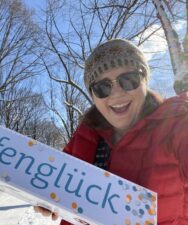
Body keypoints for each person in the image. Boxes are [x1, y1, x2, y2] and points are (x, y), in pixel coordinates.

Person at [34, 39, 188, 225]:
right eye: (103, 87)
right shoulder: (83, 139)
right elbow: (57, 188)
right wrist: (49, 199)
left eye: (128, 79)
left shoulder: (177, 123)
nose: (116, 93)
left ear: (145, 81)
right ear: (93, 96)